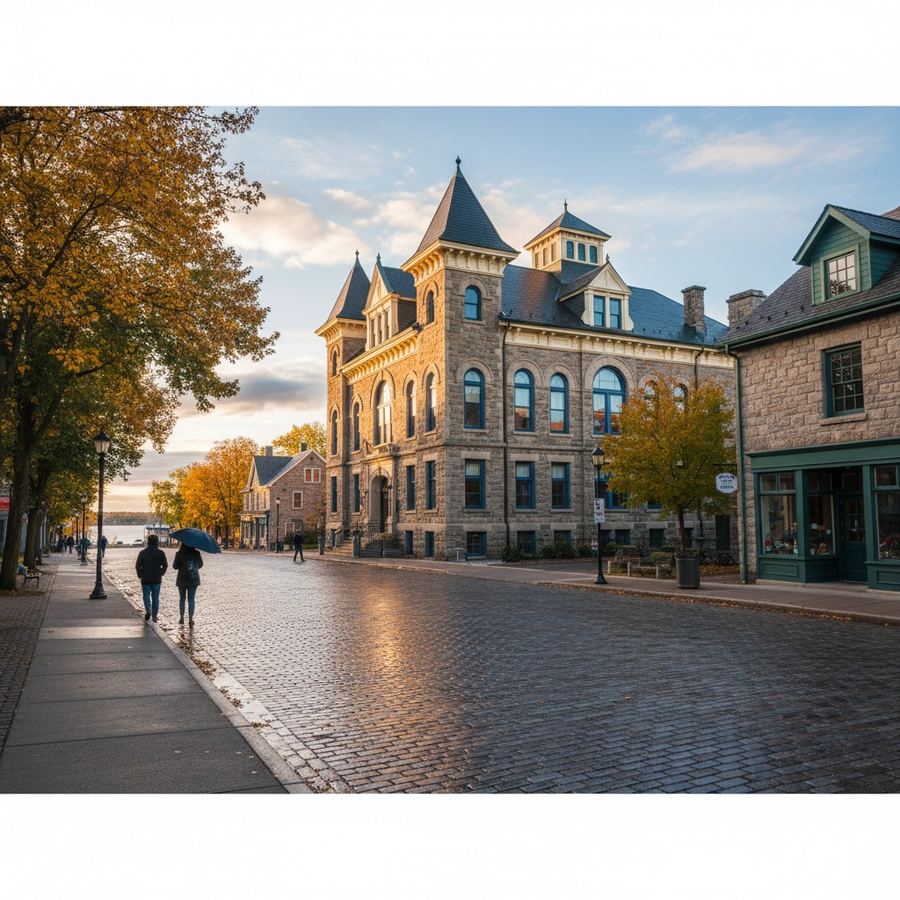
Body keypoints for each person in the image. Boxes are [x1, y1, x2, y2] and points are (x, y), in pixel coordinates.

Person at [135, 534, 168, 622]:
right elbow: (165, 565)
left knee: (146, 596)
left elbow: (138, 565)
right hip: (157, 578)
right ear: (157, 542)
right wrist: (161, 573)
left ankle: (148, 609)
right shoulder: (160, 553)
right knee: (155, 598)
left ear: (148, 542)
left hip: (145, 578)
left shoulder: (142, 553)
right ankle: (154, 616)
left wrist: (140, 574)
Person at [173, 542, 203, 626]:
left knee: (182, 598)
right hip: (193, 579)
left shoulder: (179, 553)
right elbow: (200, 565)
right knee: (191, 599)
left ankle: (181, 618)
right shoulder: (196, 553)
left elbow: (175, 566)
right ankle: (190, 619)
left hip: (182, 579)